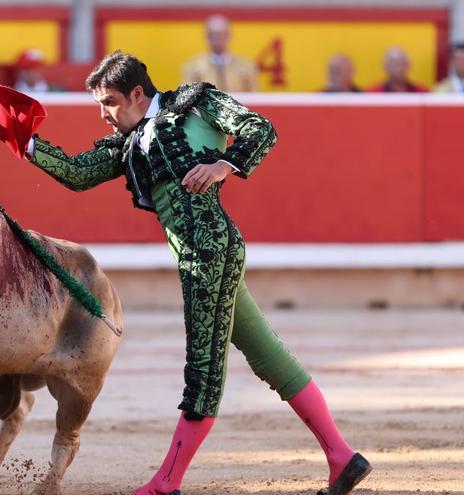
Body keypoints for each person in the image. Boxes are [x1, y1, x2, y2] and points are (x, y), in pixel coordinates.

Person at [25, 50, 371, 495]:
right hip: (201, 254)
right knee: (267, 355)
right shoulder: (129, 143)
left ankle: (167, 483)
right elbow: (76, 173)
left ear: (136, 92)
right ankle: (342, 458)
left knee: (204, 368)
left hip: (208, 253)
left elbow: (260, 128)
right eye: (99, 105)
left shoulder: (194, 102)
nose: (104, 114)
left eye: (109, 101)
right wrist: (24, 142)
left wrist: (223, 165)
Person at [182, 14, 258, 92]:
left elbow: (254, 97)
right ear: (207, 37)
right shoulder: (193, 67)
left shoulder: (246, 66)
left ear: (229, 35)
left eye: (222, 35)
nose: (219, 40)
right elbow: (187, 98)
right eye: (214, 35)